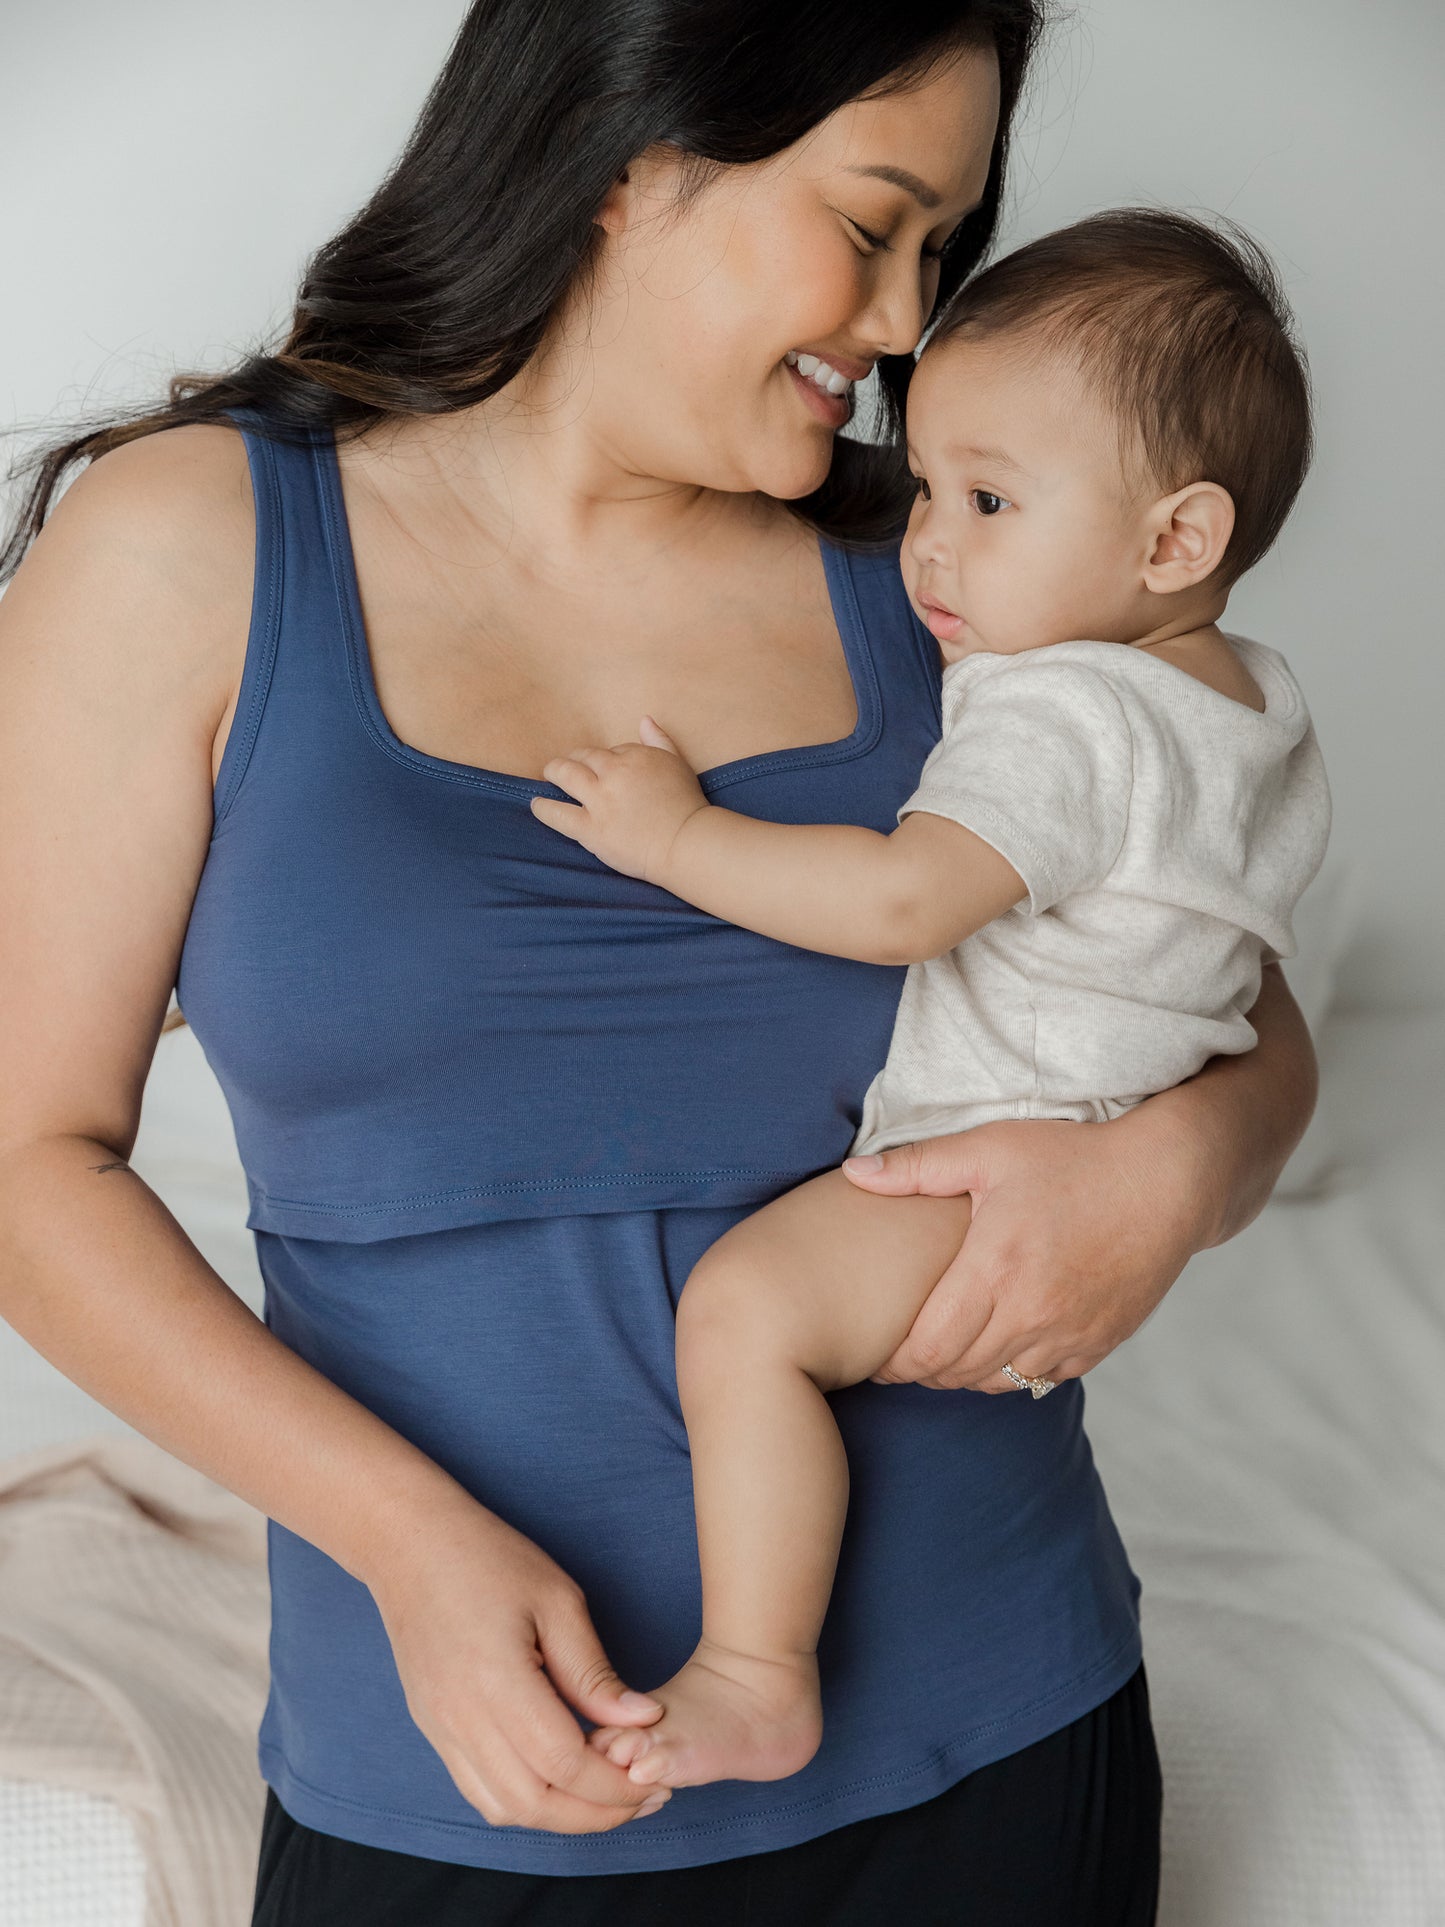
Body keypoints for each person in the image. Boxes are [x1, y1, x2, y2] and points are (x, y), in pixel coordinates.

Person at [0, 4, 1319, 1921]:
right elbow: (31, 1163)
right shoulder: (193, 543)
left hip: (997, 1721)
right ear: (635, 160)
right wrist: (411, 1550)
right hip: (473, 1772)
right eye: (872, 225)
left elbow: (1241, 994)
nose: (899, 324)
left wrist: (1176, 1171)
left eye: (939, 250)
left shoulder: (954, 583)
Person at [529, 206, 1331, 1795]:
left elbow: (904, 904)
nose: (929, 547)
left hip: (995, 1153)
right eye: (926, 489)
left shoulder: (1060, 713)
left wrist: (677, 835)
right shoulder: (1249, 700)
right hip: (1108, 1118)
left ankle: (758, 1670)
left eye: (985, 499)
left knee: (747, 1316)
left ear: (1172, 540)